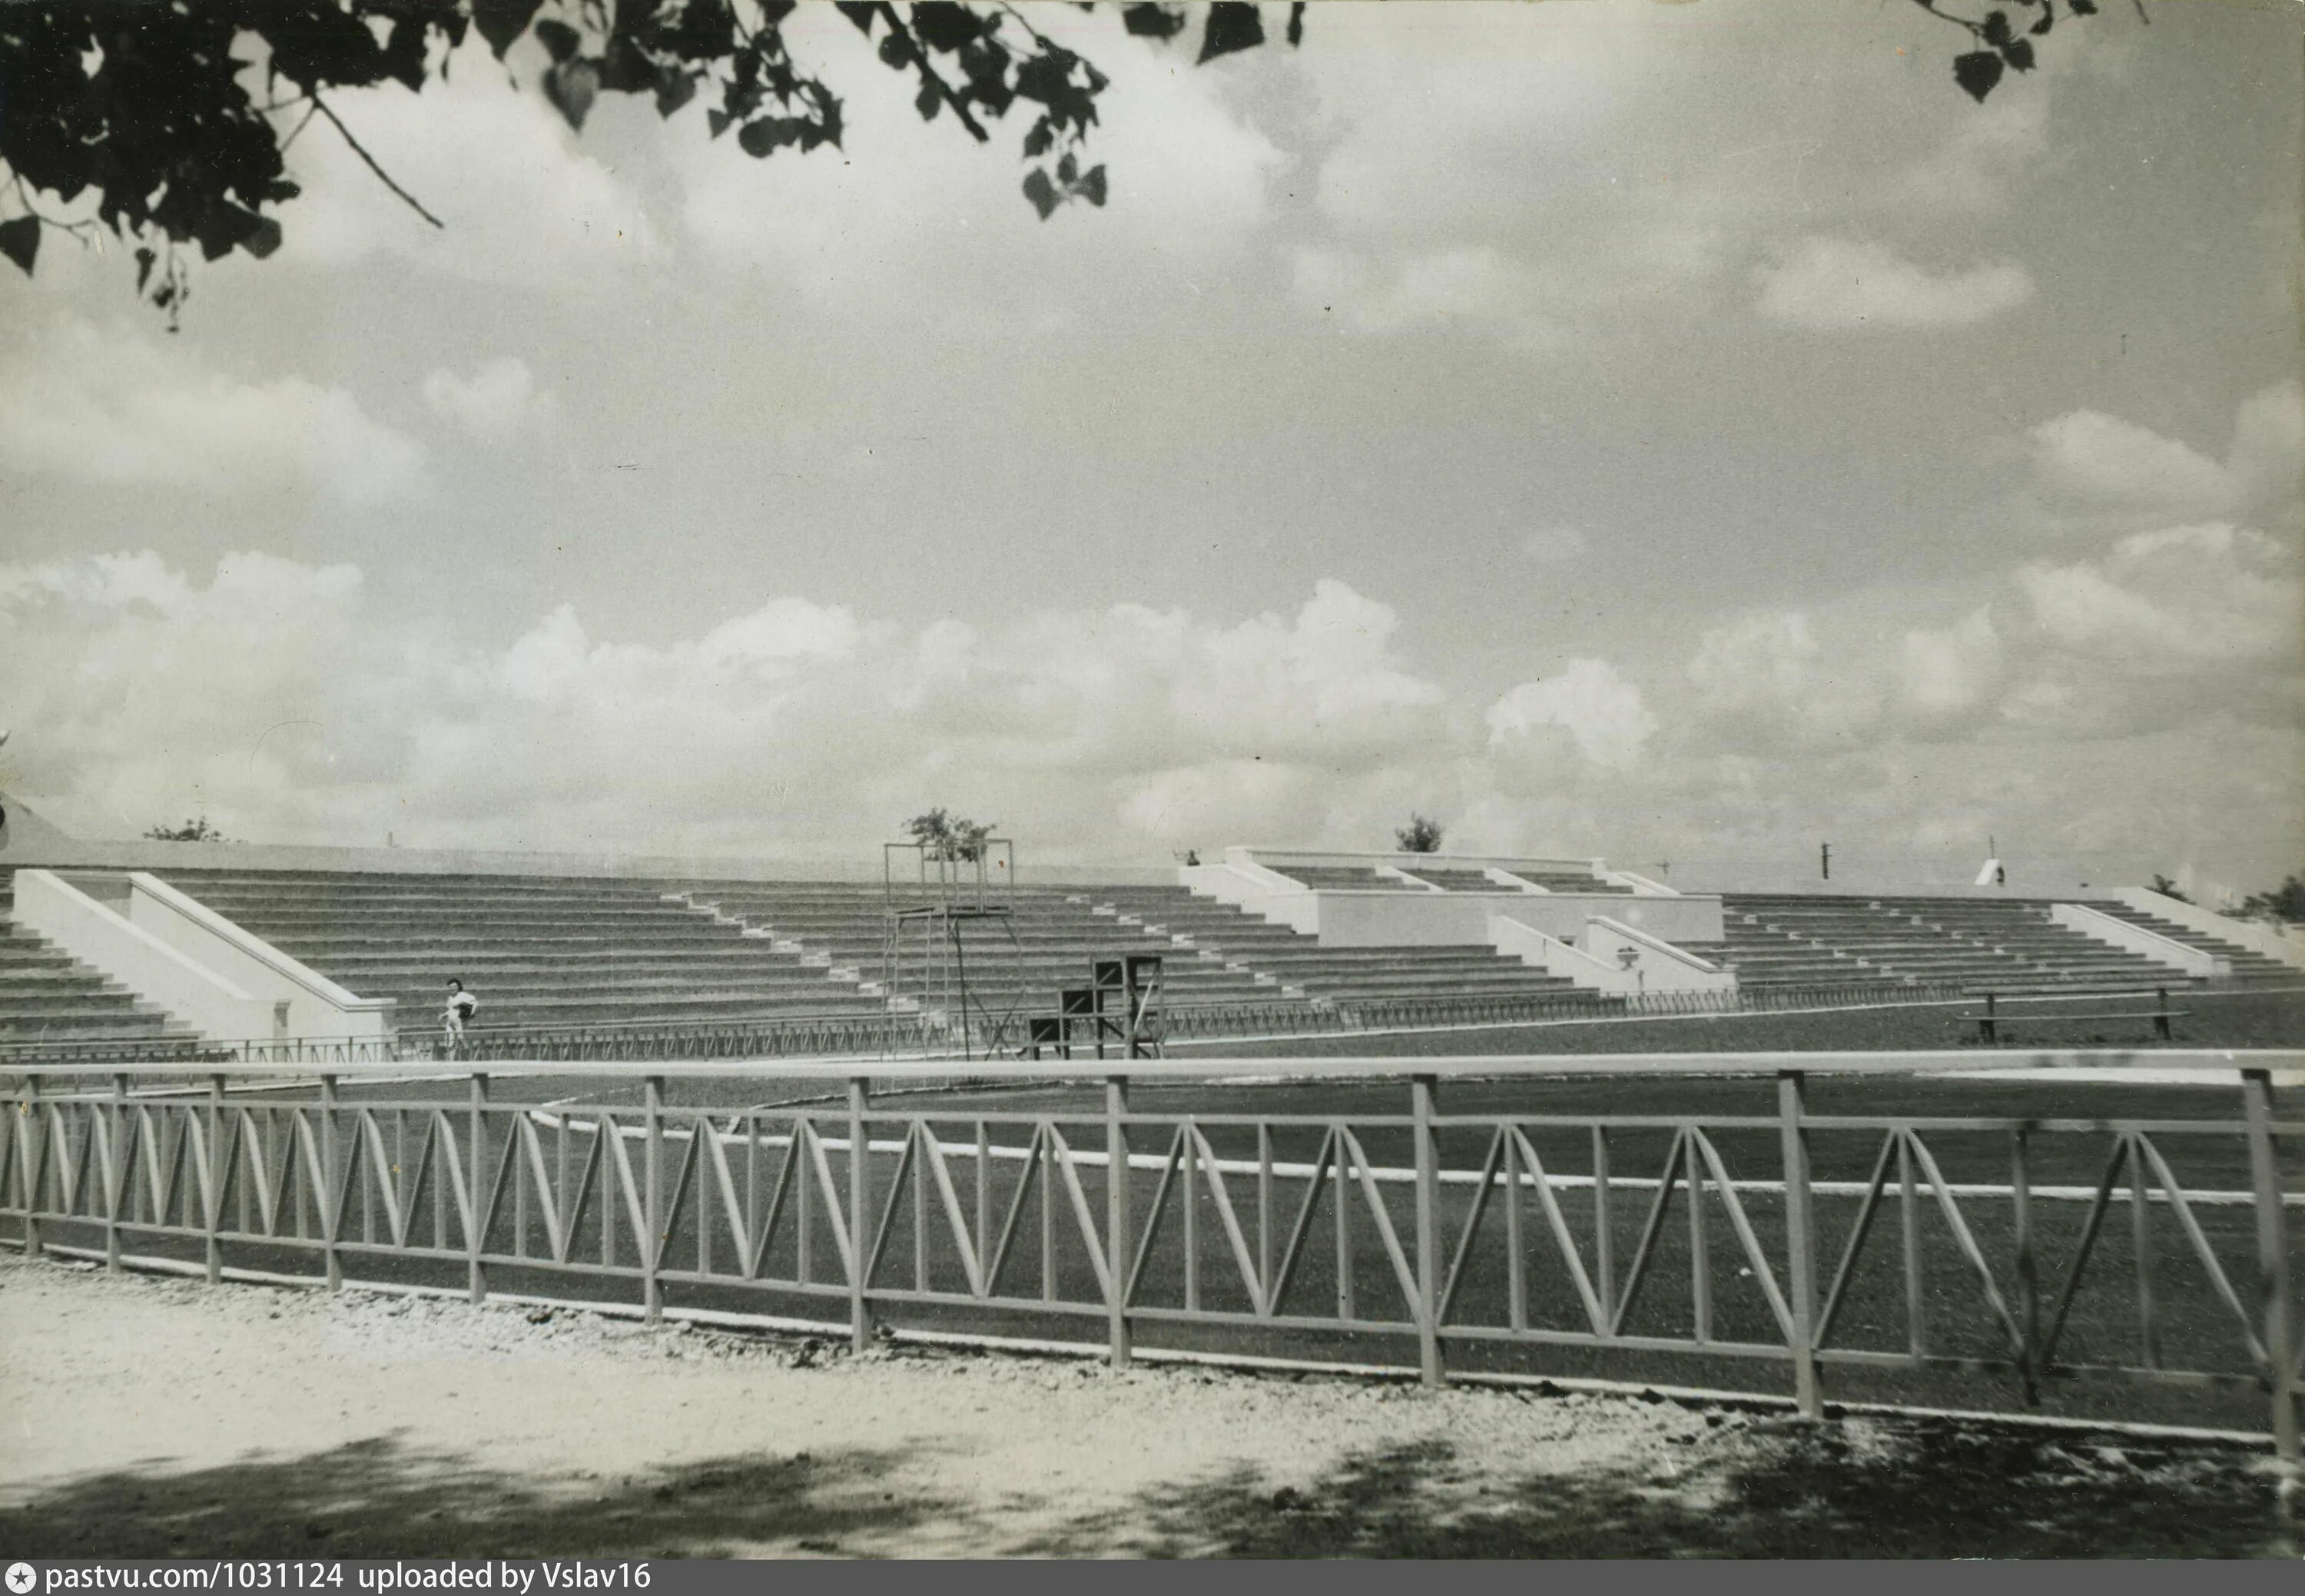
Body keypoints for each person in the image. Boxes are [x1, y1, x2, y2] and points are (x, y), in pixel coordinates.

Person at [443, 977, 479, 1050]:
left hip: (461, 1022)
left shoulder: (463, 995)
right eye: (450, 987)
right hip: (451, 1023)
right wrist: (444, 1015)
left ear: (458, 987)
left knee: (462, 1038)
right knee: (449, 1041)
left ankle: (471, 1055)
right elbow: (451, 1010)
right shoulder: (450, 998)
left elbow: (475, 1003)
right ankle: (450, 1059)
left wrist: (470, 1013)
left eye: (454, 986)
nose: (452, 988)